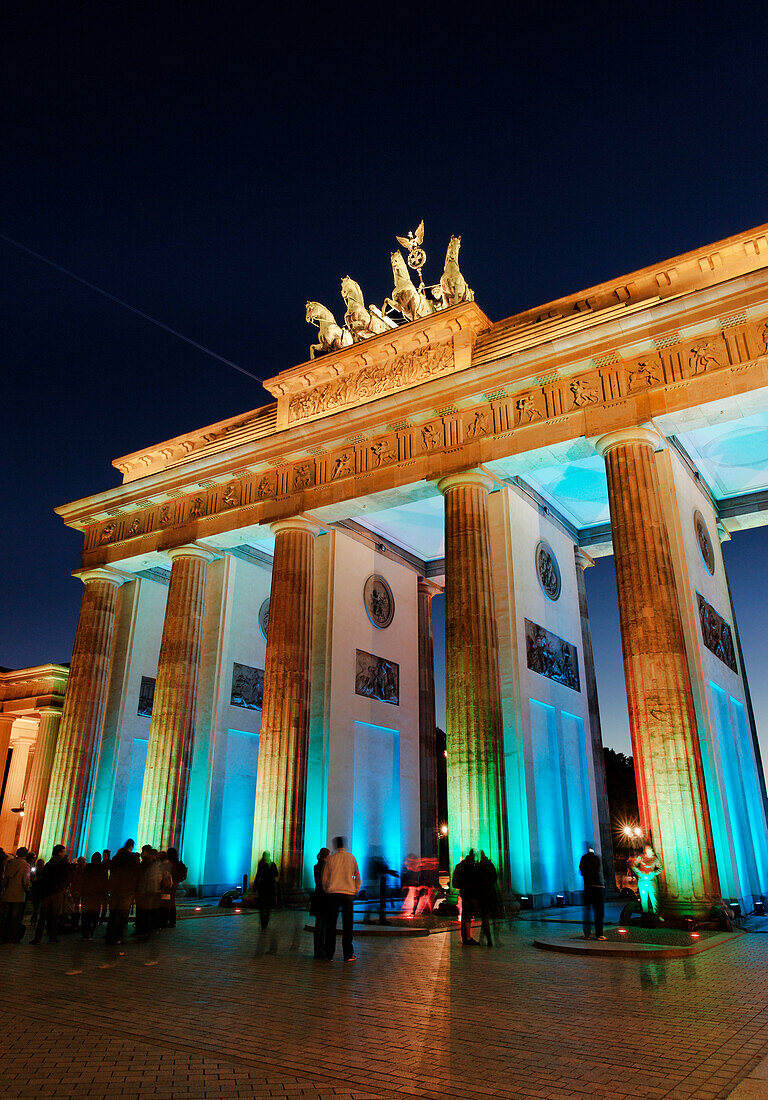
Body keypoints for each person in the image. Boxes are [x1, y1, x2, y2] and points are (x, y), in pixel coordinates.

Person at [322, 836, 360, 962]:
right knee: (348, 925)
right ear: (344, 845)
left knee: (331, 924)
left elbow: (325, 877)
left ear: (335, 846)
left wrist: (327, 889)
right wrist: (355, 889)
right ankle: (348, 954)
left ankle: (329, 954)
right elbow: (356, 875)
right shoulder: (351, 858)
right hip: (348, 894)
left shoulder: (332, 859)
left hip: (333, 893)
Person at [31, 844, 69, 944]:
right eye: (63, 851)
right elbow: (66, 878)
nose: (65, 853)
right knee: (54, 916)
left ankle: (37, 937)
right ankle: (52, 937)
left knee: (43, 916)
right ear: (60, 852)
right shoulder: (64, 864)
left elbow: (44, 878)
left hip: (47, 892)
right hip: (57, 892)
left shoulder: (48, 864)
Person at [106, 839, 140, 945]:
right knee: (121, 914)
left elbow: (111, 871)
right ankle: (117, 937)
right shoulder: (132, 859)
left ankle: (110, 935)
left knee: (113, 913)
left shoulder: (116, 857)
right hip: (127, 889)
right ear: (131, 847)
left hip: (115, 888)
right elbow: (136, 875)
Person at [0, 846, 31, 943]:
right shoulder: (25, 865)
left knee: (5, 917)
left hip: (8, 893)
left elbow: (5, 878)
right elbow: (25, 880)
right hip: (18, 894)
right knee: (15, 918)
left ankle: (2, 936)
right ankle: (11, 937)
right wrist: (27, 888)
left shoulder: (11, 862)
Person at [579, 845, 606, 940]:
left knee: (587, 912)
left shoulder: (583, 859)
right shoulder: (596, 858)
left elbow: (581, 871)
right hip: (597, 887)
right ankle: (599, 934)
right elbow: (602, 871)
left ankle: (587, 934)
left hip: (587, 887)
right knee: (598, 912)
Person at [452, 849, 479, 945]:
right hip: (470, 893)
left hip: (464, 892)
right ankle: (467, 937)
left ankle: (465, 937)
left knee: (465, 915)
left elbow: (455, 883)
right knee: (468, 915)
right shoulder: (472, 867)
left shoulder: (460, 866)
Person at [134, 846, 162, 935]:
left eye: (143, 851)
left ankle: (144, 929)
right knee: (144, 911)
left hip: (147, 890)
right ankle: (144, 929)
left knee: (145, 911)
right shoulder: (148, 863)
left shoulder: (149, 863)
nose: (142, 853)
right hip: (147, 890)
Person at [80, 853, 108, 939]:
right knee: (95, 914)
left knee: (85, 915)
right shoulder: (102, 869)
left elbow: (84, 880)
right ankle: (91, 932)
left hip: (87, 894)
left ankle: (85, 933)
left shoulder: (88, 867)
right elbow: (105, 882)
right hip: (97, 895)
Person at [475, 852, 498, 947]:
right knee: (486, 918)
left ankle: (488, 939)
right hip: (491, 895)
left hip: (482, 895)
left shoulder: (479, 868)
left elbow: (476, 882)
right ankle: (483, 938)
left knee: (484, 919)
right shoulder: (490, 865)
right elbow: (495, 877)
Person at [631, 844, 662, 915]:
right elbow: (633, 865)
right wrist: (639, 872)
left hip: (651, 881)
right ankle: (646, 915)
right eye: (646, 850)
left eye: (649, 849)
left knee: (654, 898)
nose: (647, 851)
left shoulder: (654, 859)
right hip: (642, 881)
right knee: (644, 899)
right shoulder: (641, 857)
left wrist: (653, 873)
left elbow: (660, 868)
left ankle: (656, 914)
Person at [310, 847, 330, 958]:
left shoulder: (316, 866)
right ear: (327, 855)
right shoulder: (326, 866)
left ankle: (317, 950)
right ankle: (322, 950)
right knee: (323, 925)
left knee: (318, 925)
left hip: (317, 896)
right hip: (324, 897)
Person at [162, 847, 187, 928]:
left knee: (166, 903)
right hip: (175, 885)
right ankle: (172, 921)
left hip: (168, 885)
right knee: (172, 902)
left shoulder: (170, 863)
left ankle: (166, 921)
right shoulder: (177, 863)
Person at [255, 851, 279, 930]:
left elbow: (258, 875)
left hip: (265, 887)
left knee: (265, 905)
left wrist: (255, 886)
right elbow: (276, 875)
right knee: (265, 905)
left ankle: (264, 921)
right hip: (267, 887)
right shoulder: (270, 864)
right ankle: (264, 921)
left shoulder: (263, 864)